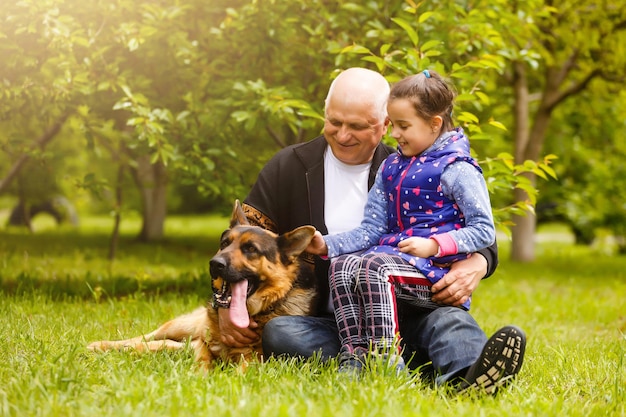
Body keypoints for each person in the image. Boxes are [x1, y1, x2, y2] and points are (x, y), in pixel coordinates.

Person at [216, 67, 524, 394]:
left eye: (357, 126)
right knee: (280, 334)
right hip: (338, 321)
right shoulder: (289, 167)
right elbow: (238, 240)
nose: (343, 134)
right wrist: (224, 303)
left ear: (385, 124)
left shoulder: (407, 165)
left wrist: (479, 262)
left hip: (413, 305)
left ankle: (469, 376)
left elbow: (478, 230)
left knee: (448, 323)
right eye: (334, 122)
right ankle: (397, 361)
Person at [306, 69, 498, 376]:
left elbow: (484, 230)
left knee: (374, 267)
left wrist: (434, 245)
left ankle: (386, 363)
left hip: (434, 272)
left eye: (403, 126)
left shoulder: (457, 169)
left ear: (435, 124)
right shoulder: (391, 166)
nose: (394, 133)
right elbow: (372, 231)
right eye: (393, 124)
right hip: (394, 264)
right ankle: (355, 358)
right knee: (341, 264)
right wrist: (327, 244)